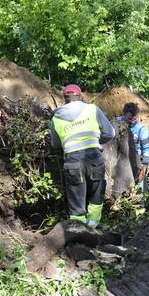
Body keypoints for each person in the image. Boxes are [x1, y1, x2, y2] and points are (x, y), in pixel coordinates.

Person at [50, 84, 115, 228]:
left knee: (76, 200)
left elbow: (55, 144)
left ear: (65, 99)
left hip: (72, 160)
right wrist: (95, 141)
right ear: (81, 96)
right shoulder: (92, 109)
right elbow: (110, 133)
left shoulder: (56, 117)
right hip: (93, 157)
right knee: (96, 194)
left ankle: (79, 233)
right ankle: (93, 228)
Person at [118, 102, 149, 193]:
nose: (132, 122)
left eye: (135, 119)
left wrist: (144, 165)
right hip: (118, 163)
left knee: (138, 192)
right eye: (129, 119)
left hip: (136, 163)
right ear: (123, 115)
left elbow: (147, 148)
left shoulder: (141, 129)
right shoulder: (115, 124)